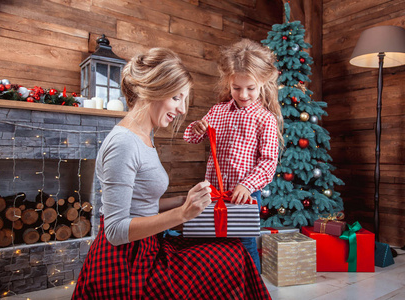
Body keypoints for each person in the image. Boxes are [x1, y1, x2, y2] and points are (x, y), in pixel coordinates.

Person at [72, 48, 271, 299]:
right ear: (156, 89)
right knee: (230, 257)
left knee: (233, 250)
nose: (181, 110)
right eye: (177, 98)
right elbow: (115, 231)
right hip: (128, 262)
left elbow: (139, 205)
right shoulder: (124, 143)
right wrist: (182, 213)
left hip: (147, 246)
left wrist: (182, 201)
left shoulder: (144, 135)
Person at [183, 39, 283, 273]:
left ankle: (252, 287)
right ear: (229, 82)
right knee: (213, 239)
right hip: (215, 192)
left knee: (245, 243)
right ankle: (221, 284)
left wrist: (247, 186)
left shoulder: (264, 119)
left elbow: (268, 162)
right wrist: (197, 128)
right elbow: (192, 138)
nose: (243, 94)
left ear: (262, 84)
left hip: (244, 194)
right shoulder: (218, 111)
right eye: (237, 88)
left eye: (251, 88)